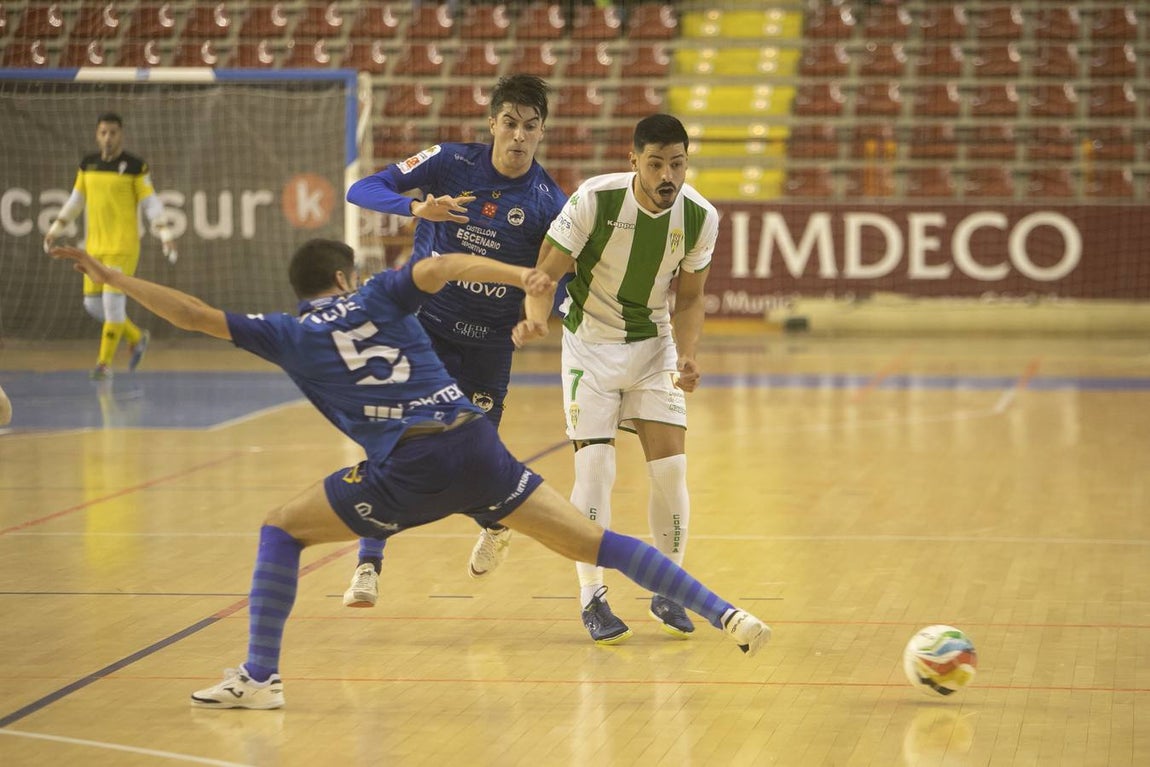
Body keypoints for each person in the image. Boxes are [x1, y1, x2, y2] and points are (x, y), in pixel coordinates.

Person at [49, 240, 770, 711]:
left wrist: (112, 276)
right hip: (474, 444)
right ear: (343, 277)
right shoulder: (378, 295)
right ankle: (725, 612)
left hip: (413, 467)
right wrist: (524, 275)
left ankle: (260, 677)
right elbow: (450, 264)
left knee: (280, 526)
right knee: (594, 542)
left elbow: (195, 314)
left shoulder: (289, 331)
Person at [343, 74, 568, 607]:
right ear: (492, 123)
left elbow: (557, 277)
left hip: (489, 345)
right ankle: (367, 566)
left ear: (541, 133)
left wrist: (541, 316)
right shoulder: (448, 161)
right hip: (424, 330)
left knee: (473, 465)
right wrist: (417, 209)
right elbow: (362, 188)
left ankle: (495, 522)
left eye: (530, 128)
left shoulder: (548, 203)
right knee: (391, 440)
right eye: (509, 124)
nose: (518, 137)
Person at [512, 114, 720, 646]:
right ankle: (592, 596)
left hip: (655, 347)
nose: (667, 174)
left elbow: (691, 298)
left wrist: (689, 356)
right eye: (655, 163)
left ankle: (667, 589)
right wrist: (536, 314)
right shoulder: (595, 200)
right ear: (635, 162)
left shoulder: (700, 217)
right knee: (597, 468)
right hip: (590, 346)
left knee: (672, 471)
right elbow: (547, 268)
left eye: (677, 162)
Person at [43, 112, 178, 381]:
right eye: (103, 132)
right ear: (97, 134)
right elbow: (75, 201)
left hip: (123, 248)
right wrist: (55, 229)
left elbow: (151, 202)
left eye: (113, 133)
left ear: (121, 135)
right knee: (93, 306)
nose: (108, 138)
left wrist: (164, 232)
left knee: (113, 305)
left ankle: (103, 365)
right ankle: (137, 337)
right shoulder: (88, 165)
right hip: (94, 249)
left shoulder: (134, 166)